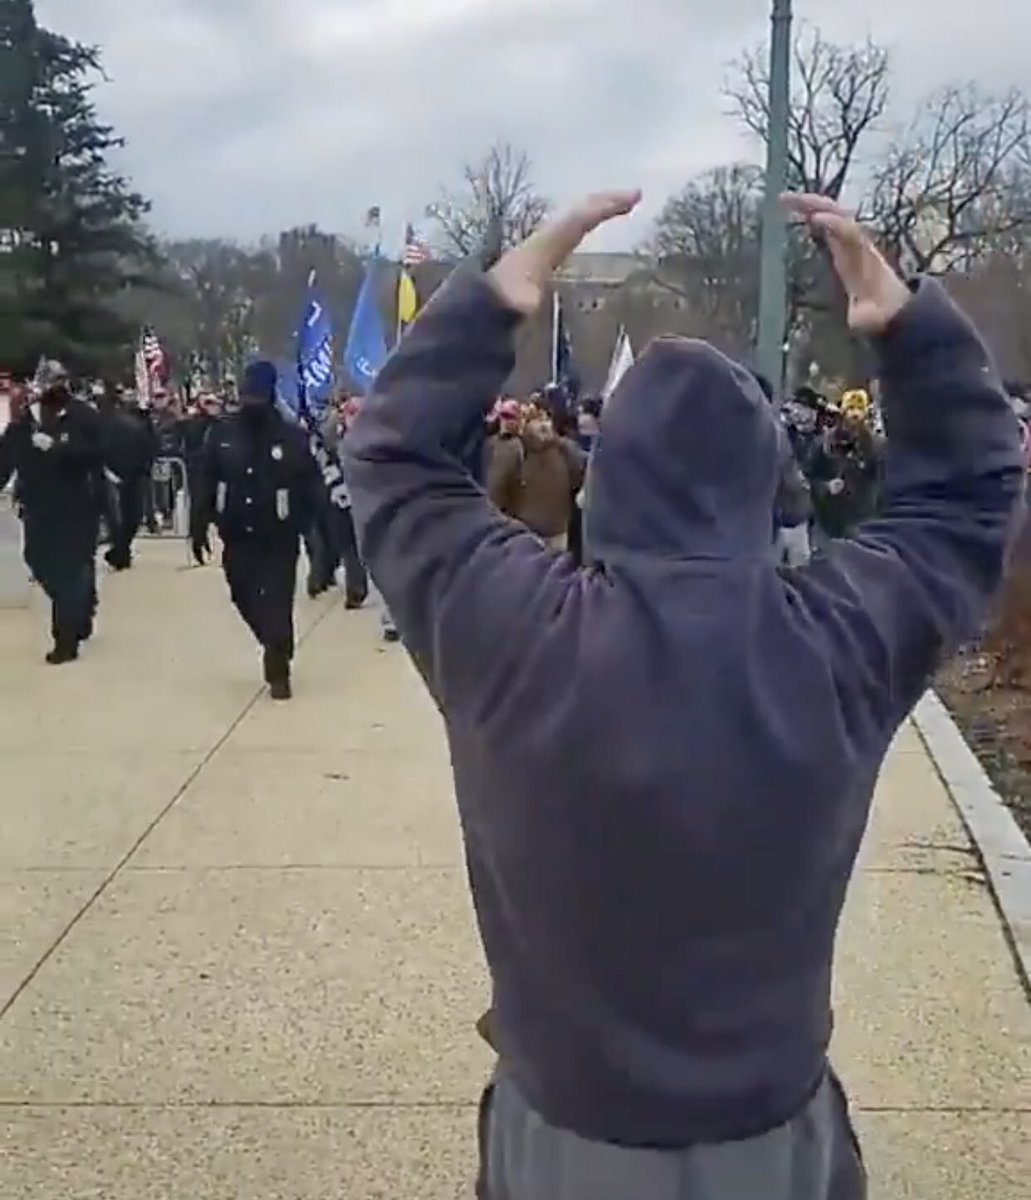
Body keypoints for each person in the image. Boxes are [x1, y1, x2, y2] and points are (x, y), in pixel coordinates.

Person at [343, 190, 1025, 1200]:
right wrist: (908, 330)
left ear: (598, 483)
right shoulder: (836, 643)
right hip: (768, 1131)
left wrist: (493, 300)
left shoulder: (510, 632)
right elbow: (968, 494)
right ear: (763, 486)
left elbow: (392, 460)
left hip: (564, 1136)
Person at [190, 361, 321, 699]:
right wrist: (199, 524)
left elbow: (310, 486)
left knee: (277, 601)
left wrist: (313, 529)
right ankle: (274, 639)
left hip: (278, 535)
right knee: (243, 595)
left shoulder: (291, 436)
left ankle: (278, 666)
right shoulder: (222, 433)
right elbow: (205, 479)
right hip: (236, 533)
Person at [0, 361, 105, 663]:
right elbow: (6, 459)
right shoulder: (25, 423)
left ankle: (66, 639)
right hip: (38, 506)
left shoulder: (84, 417)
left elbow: (97, 453)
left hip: (77, 506)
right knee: (38, 560)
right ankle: (80, 603)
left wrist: (59, 448)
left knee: (70, 569)